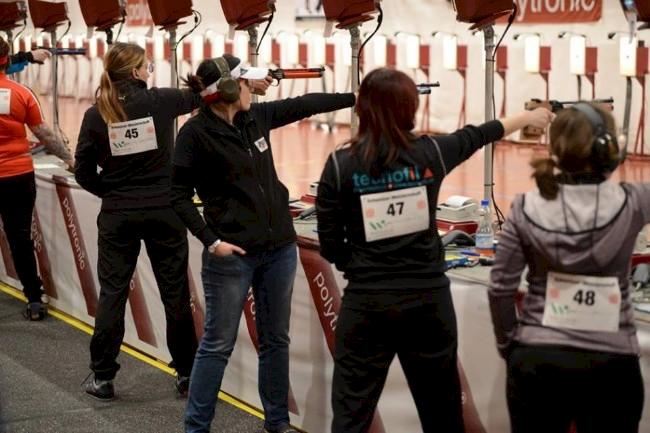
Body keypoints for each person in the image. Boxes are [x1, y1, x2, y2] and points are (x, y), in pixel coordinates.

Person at [315, 67, 552, 433]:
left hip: (366, 303)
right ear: (409, 109)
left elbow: (330, 245)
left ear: (362, 109)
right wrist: (530, 117)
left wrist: (363, 266)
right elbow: (480, 134)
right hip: (426, 303)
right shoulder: (430, 153)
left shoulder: (339, 164)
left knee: (351, 414)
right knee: (442, 412)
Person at [170, 54, 355, 433]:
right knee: (217, 346)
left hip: (279, 249)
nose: (251, 86)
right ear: (226, 90)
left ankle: (277, 421)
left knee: (275, 340)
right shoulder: (193, 135)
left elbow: (304, 105)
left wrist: (354, 98)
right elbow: (176, 195)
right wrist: (210, 240)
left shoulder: (255, 117)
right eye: (244, 81)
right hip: (231, 255)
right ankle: (196, 427)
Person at [488, 103, 646, 433]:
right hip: (611, 362)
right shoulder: (633, 201)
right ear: (609, 150)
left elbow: (500, 288)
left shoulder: (525, 205)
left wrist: (511, 347)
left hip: (537, 359)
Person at [74, 42, 202, 401]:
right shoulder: (161, 100)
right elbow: (202, 95)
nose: (149, 72)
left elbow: (82, 170)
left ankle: (102, 377)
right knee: (175, 294)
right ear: (134, 73)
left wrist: (111, 193)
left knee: (113, 293)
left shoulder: (95, 113)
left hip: (118, 215)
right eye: (145, 67)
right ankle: (187, 375)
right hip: (165, 210)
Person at [0, 36, 73, 320]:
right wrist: (68, 158)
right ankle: (33, 298)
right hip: (17, 176)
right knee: (20, 238)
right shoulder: (21, 94)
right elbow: (43, 133)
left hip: (16, 175)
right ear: (7, 61)